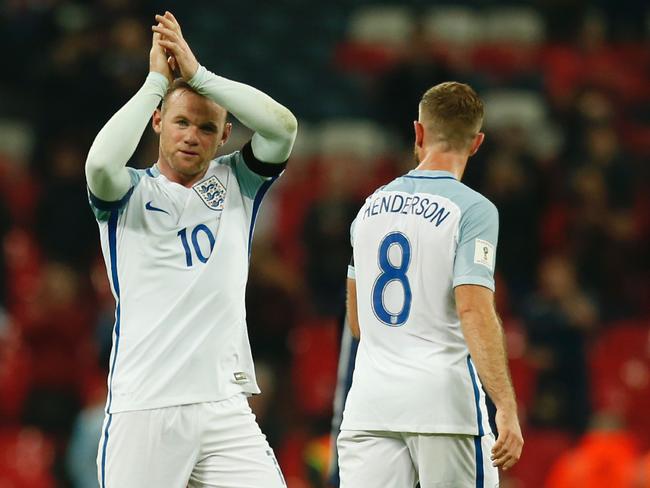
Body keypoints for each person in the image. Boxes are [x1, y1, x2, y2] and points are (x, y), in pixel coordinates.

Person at [85, 11, 297, 488]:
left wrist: (200, 76)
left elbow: (283, 128)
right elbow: (99, 162)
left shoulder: (237, 182)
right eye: (181, 122)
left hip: (223, 404)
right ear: (158, 122)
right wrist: (155, 83)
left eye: (206, 128)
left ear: (223, 136)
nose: (191, 136)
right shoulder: (128, 194)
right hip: (147, 404)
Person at [338, 82, 523, 487]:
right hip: (442, 406)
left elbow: (357, 323)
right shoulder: (474, 210)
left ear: (418, 133)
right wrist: (505, 404)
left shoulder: (369, 207)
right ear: (476, 144)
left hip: (369, 407)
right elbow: (473, 309)